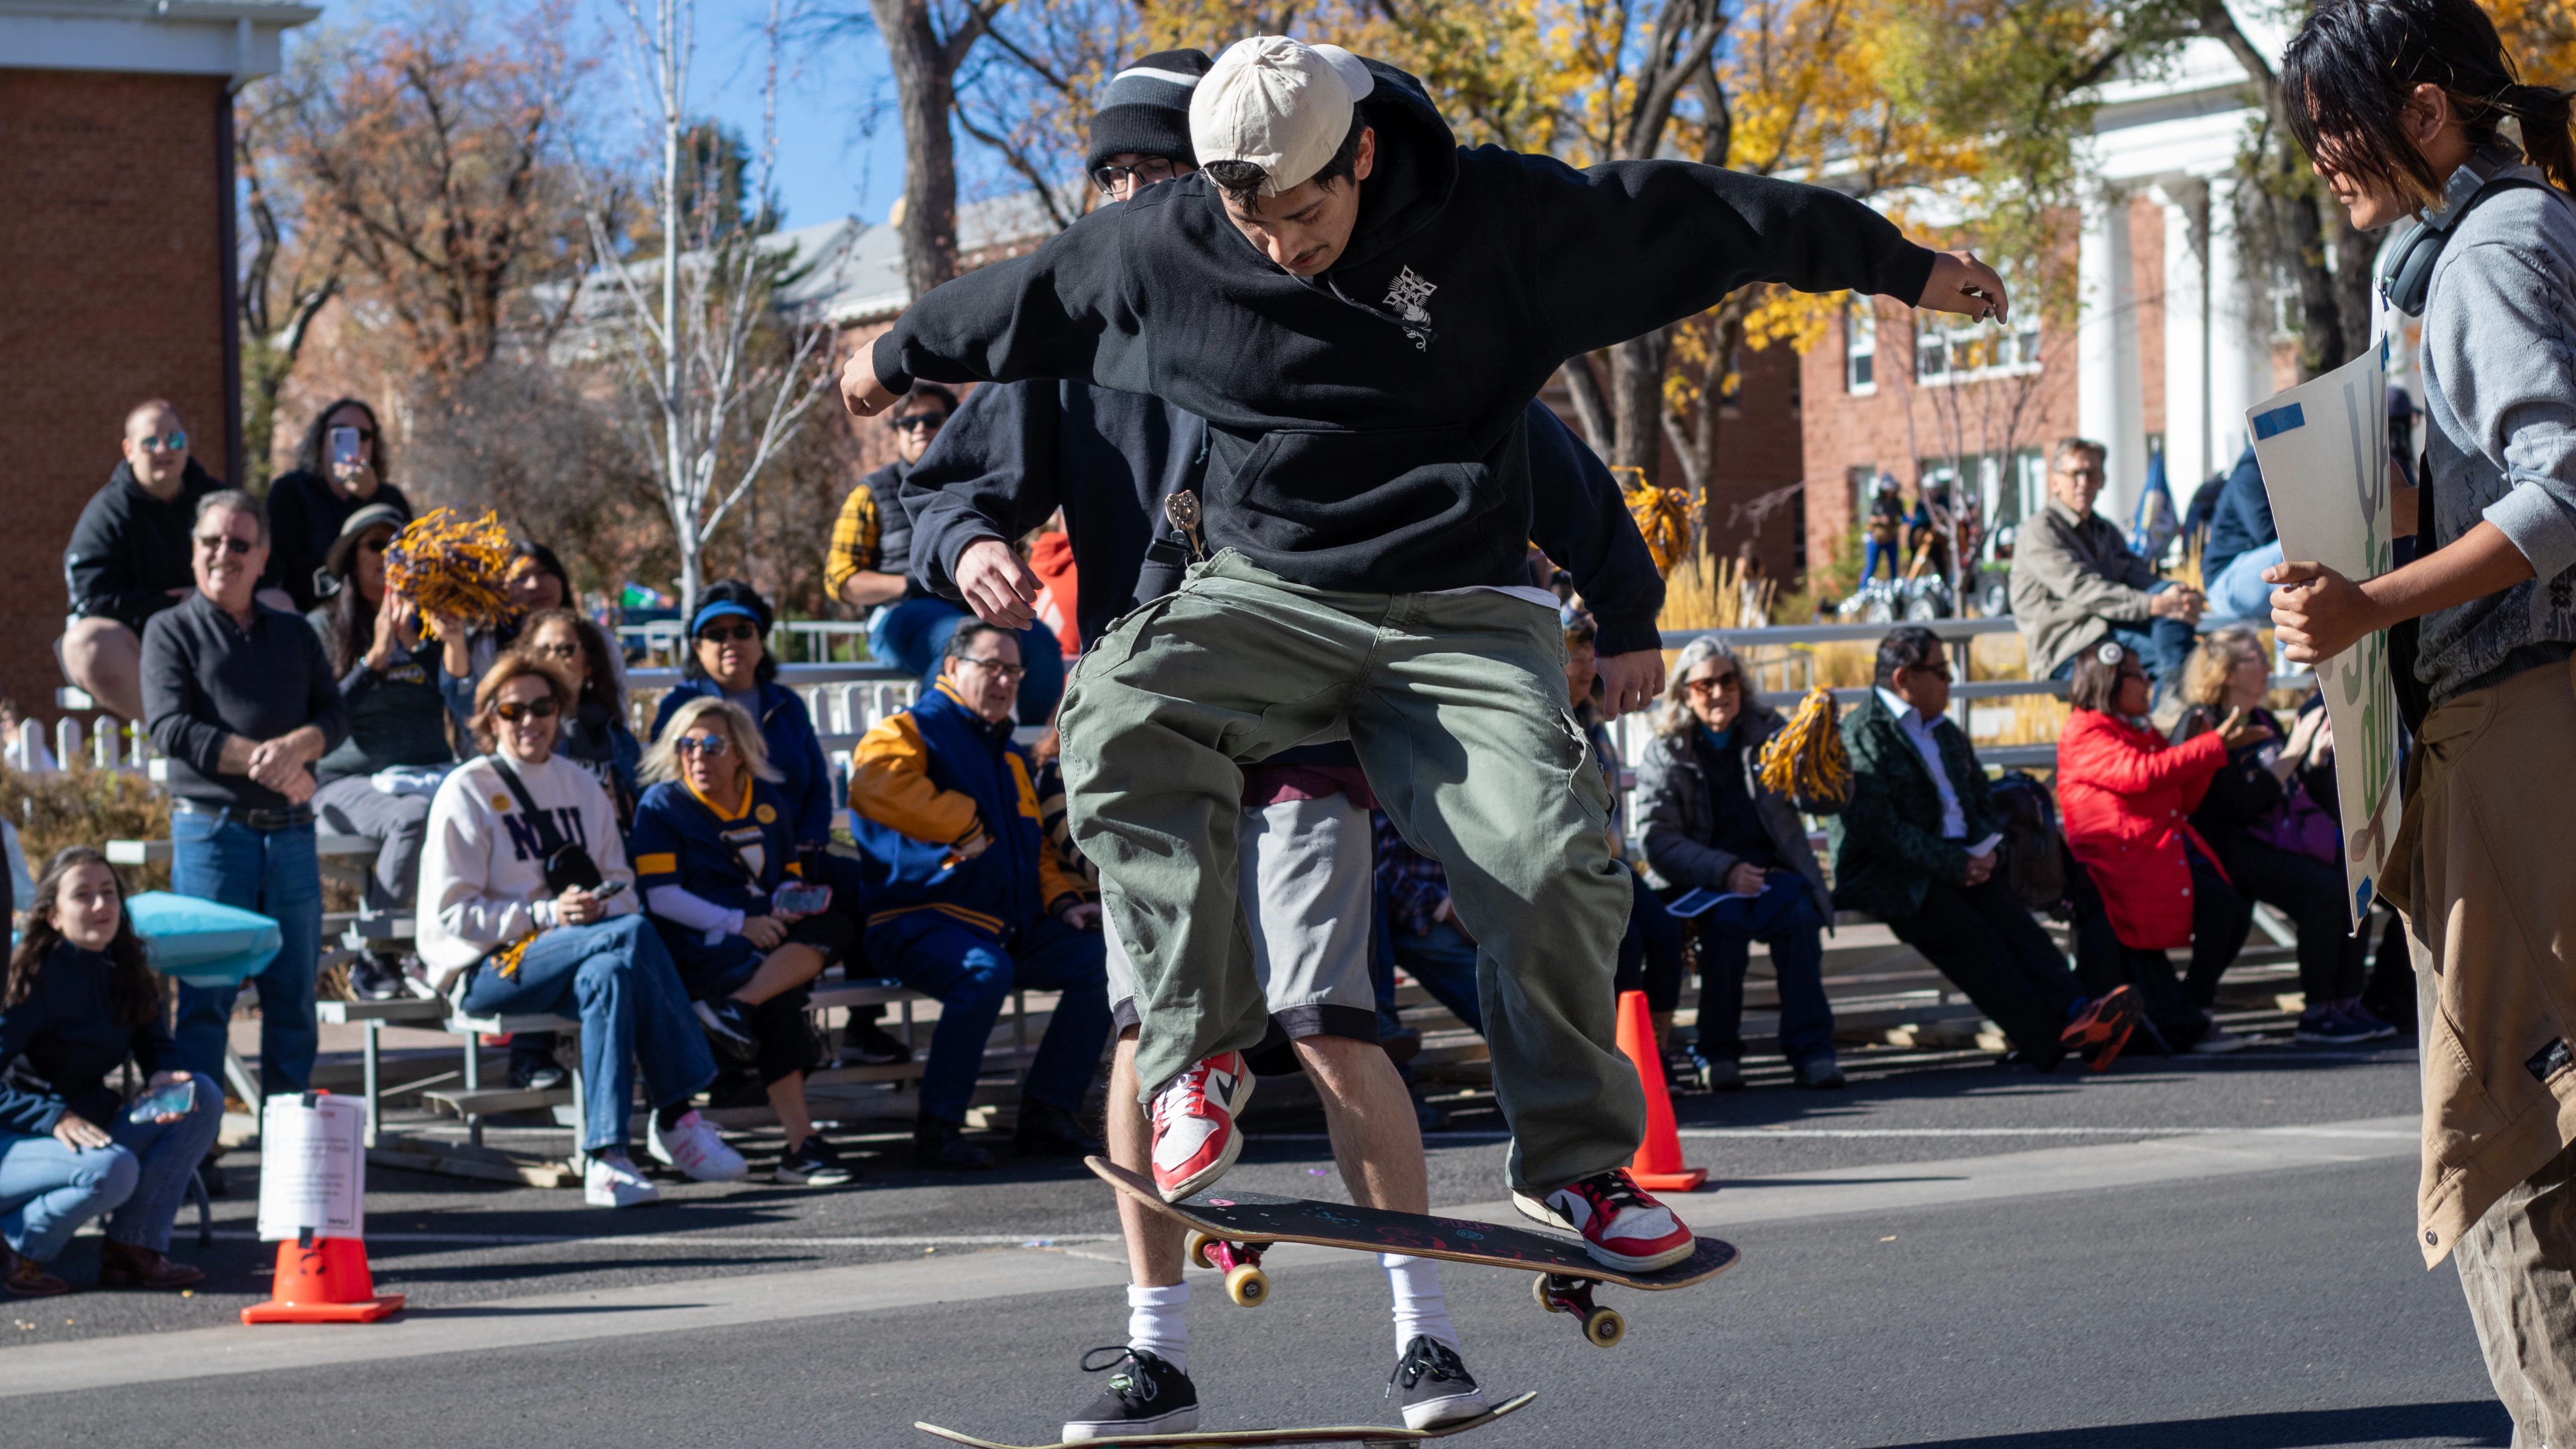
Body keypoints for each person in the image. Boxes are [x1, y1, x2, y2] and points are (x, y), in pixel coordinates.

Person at [844, 34, 2004, 1265]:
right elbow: (1025, 294)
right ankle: (1199, 1059)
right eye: (1253, 220)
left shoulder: (1497, 219)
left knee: (1554, 856)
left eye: (1305, 212)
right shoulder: (1172, 239)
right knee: (1117, 711)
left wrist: (1899, 267)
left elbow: (1704, 216)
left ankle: (1572, 1165)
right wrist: (890, 353)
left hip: (1460, 606)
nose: (1283, 245)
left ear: (1362, 152)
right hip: (1265, 597)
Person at [2268, 7, 2576, 1427]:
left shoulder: (2492, 253)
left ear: (2429, 107)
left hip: (2518, 733)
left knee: (2506, 1157)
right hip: (2513, 730)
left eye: (2334, 124)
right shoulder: (2494, 245)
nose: (2323, 159)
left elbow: (2562, 489)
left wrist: (2373, 606)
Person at [417, 652, 747, 1206]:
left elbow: (620, 882)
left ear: (559, 713)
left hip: (586, 948)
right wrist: (547, 914)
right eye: (512, 709)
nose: (529, 720)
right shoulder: (466, 790)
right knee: (634, 936)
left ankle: (606, 1156)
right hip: (492, 963)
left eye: (542, 707)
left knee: (610, 973)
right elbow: (452, 918)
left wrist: (595, 909)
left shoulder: (581, 785)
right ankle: (678, 1113)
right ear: (490, 719)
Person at [847, 622, 1113, 1171]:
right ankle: (938, 1127)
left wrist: (1064, 903)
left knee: (1101, 962)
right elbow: (873, 784)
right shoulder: (905, 730)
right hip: (917, 922)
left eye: (1013, 670)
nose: (1004, 680)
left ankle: (1047, 1113)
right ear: (950, 669)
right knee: (982, 971)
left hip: (1002, 927)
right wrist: (965, 824)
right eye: (990, 666)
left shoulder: (1008, 757)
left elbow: (1034, 851)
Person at [1833, 627, 2142, 1072]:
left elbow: (1979, 796)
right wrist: (1957, 863)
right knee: (1972, 938)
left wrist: (1985, 850)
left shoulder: (1943, 731)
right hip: (1893, 876)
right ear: (1904, 678)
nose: (1949, 681)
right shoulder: (1863, 734)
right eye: (1940, 671)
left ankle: (2079, 1013)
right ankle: (2052, 1041)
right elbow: (1879, 832)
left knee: (2015, 923)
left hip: (1959, 862)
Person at [142, 490, 346, 1098]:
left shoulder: (295, 633)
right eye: (210, 542)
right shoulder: (168, 631)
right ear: (193, 549)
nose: (222, 554)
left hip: (291, 837)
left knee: (293, 999)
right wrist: (271, 763)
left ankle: (290, 1150)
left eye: (239, 544)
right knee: (205, 1002)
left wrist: (299, 749)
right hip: (211, 833)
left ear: (262, 559)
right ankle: (194, 1150)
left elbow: (334, 717)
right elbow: (170, 728)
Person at [632, 697, 857, 1187]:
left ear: (740, 752)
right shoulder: (662, 804)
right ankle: (802, 1147)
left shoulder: (764, 798)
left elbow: (786, 874)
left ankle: (735, 1008)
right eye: (686, 745)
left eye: (712, 744)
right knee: (781, 998)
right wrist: (740, 923)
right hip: (701, 943)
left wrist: (783, 901)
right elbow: (661, 896)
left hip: (764, 934)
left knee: (838, 921)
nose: (697, 755)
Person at [0, 847, 224, 1296]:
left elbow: (155, 1042)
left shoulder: (124, 967)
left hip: (88, 1130)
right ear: (53, 916)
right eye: (83, 896)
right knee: (113, 1170)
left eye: (109, 894)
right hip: (16, 1140)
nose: (102, 906)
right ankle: (19, 1247)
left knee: (201, 1094)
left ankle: (132, 1249)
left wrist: (164, 1075)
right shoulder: (30, 977)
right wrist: (53, 1118)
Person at [1637, 638, 1841, 1090]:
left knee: (1800, 916)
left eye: (1727, 680)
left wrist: (1824, 754)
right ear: (1685, 693)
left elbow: (1825, 803)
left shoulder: (1772, 734)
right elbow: (1658, 841)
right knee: (1725, 926)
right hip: (1703, 881)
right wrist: (1725, 872)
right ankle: (1718, 1053)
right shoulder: (1667, 750)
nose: (1717, 692)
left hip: (1771, 874)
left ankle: (1812, 1052)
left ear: (1741, 686)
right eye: (1704, 684)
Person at [2170, 629, 2389, 1044]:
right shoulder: (2205, 723)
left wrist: (2312, 758)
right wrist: (2293, 752)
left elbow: (2287, 793)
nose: (2270, 666)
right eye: (2257, 658)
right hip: (2224, 850)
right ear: (2227, 673)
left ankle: (2347, 1002)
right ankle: (2319, 1011)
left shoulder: (2264, 719)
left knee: (2350, 878)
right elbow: (2237, 805)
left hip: (2271, 840)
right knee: (2323, 890)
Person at [2054, 640, 2259, 1054]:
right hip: (2121, 863)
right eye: (2138, 674)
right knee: (2221, 907)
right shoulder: (2086, 730)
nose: (2148, 682)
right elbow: (2140, 775)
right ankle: (2192, 1013)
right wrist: (2210, 748)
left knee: (2229, 911)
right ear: (2109, 680)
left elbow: (2180, 798)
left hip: (2152, 852)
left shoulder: (2137, 727)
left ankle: (2191, 1011)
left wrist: (2207, 750)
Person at [829, 384, 1067, 725]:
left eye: (931, 420)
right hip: (897, 616)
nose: (920, 429)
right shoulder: (871, 493)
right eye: (908, 423)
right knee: (961, 641)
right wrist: (909, 584)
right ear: (896, 432)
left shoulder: (980, 490)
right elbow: (843, 580)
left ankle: (1033, 758)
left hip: (972, 610)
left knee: (1040, 641)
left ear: (954, 424)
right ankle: (940, 751)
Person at [305, 501, 450, 1003]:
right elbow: (320, 720)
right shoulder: (320, 630)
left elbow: (463, 701)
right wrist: (375, 659)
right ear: (351, 559)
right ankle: (378, 954)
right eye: (375, 544)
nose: (389, 555)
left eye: (400, 545)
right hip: (345, 785)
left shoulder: (433, 626)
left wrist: (423, 646)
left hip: (429, 774)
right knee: (411, 818)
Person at [60, 400, 238, 722]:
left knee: (277, 603)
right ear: (128, 450)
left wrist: (213, 600)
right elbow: (92, 598)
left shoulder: (221, 504)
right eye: (150, 442)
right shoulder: (107, 514)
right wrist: (164, 605)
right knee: (85, 643)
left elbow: (267, 567)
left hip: (220, 631)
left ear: (187, 444)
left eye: (174, 440)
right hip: (140, 645)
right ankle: (182, 733)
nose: (163, 450)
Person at [1565, 615, 1688, 1075]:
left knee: (1666, 934)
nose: (1583, 669)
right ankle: (1622, 1062)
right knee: (1627, 944)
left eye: (1588, 660)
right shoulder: (1542, 719)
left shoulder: (1592, 719)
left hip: (1611, 863)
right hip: (1573, 871)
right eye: (1574, 658)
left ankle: (1655, 1051)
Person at [2008, 438, 2206, 684]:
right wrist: (2153, 604)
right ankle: (2172, 712)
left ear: (2102, 481)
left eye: (2092, 474)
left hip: (2112, 629)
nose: (2084, 483)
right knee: (2164, 661)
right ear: (2055, 482)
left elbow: (2139, 575)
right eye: (2075, 474)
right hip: (2068, 648)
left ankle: (2177, 709)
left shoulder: (2104, 530)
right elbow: (2085, 589)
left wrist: (2181, 595)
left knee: (2197, 657)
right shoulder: (2041, 531)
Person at [266, 398, 413, 615]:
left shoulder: (390, 498)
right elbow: (275, 565)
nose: (354, 443)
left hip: (377, 614)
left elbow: (405, 556)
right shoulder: (290, 492)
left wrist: (372, 498)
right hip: (308, 615)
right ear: (321, 439)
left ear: (374, 445)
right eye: (340, 433)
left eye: (362, 435)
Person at [1862, 474, 1904, 584]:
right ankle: (1862, 591)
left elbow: (1902, 516)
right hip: (1877, 538)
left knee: (1894, 567)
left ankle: (1894, 591)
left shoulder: (1897, 502)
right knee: (1871, 566)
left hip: (1891, 538)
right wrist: (1881, 519)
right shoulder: (1877, 502)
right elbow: (1871, 518)